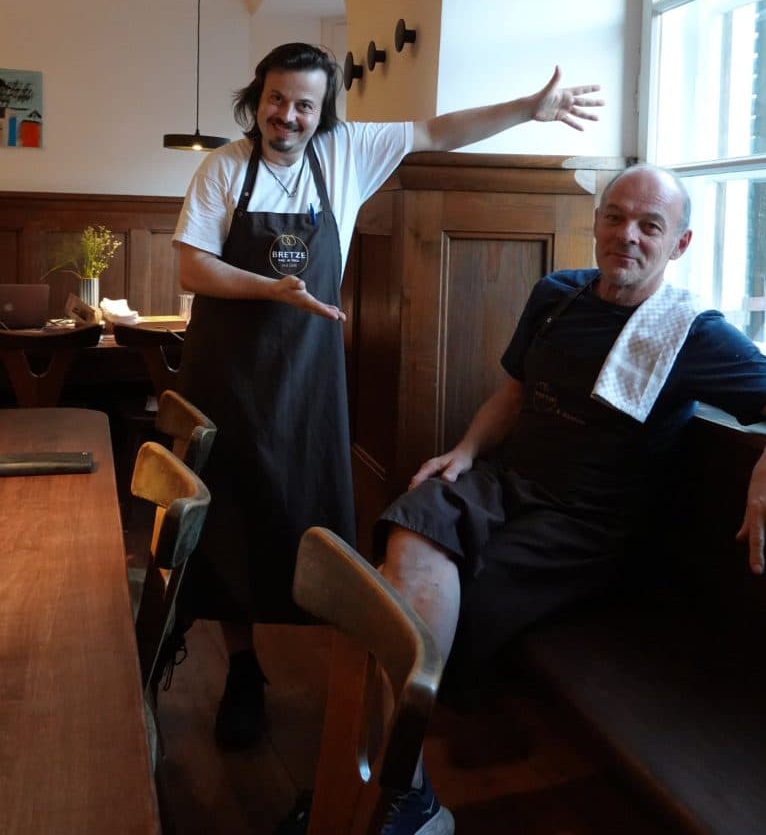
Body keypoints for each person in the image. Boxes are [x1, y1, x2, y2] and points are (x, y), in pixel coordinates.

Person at [171, 42, 603, 759]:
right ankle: (242, 670)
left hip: (308, 384)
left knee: (317, 518)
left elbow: (437, 131)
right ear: (258, 98)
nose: (289, 116)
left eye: (305, 104)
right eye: (277, 100)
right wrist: (268, 289)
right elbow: (192, 267)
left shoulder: (347, 151)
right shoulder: (222, 167)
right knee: (231, 525)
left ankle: (349, 681)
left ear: (323, 110)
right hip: (226, 374)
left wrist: (529, 109)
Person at [375, 163, 766, 833]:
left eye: (649, 225)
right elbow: (514, 394)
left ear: (680, 243)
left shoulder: (693, 333)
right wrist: (464, 454)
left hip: (585, 524)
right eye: (614, 216)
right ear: (595, 223)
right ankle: (402, 773)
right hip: (505, 481)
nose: (627, 236)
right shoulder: (555, 294)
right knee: (411, 530)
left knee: (467, 585)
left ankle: (389, 769)